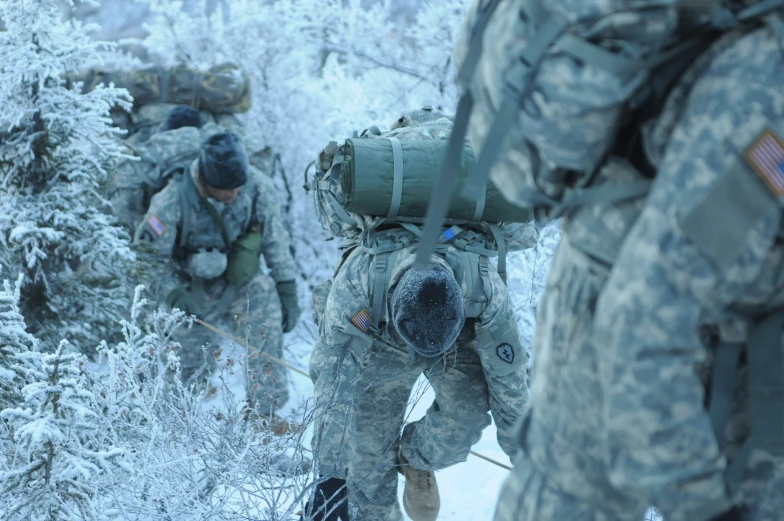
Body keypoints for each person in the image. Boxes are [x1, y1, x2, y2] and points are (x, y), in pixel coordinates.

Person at [446, 0, 784, 520]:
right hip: (610, 298)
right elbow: (642, 318)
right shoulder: (767, 96)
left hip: (745, 330)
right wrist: (704, 506)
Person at [306, 108, 539, 521]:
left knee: (466, 418)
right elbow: (334, 381)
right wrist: (328, 479)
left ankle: (415, 459)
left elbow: (511, 387)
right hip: (377, 337)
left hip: (456, 331)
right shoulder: (361, 282)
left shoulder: (482, 284)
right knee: (367, 458)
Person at [134, 131, 301, 423]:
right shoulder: (170, 201)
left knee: (265, 314)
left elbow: (276, 240)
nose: (233, 195)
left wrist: (287, 288)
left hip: (239, 282)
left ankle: (265, 416)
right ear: (206, 182)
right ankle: (177, 421)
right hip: (188, 288)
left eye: (238, 187)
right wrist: (173, 294)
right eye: (225, 190)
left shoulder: (257, 187)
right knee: (184, 365)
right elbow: (146, 260)